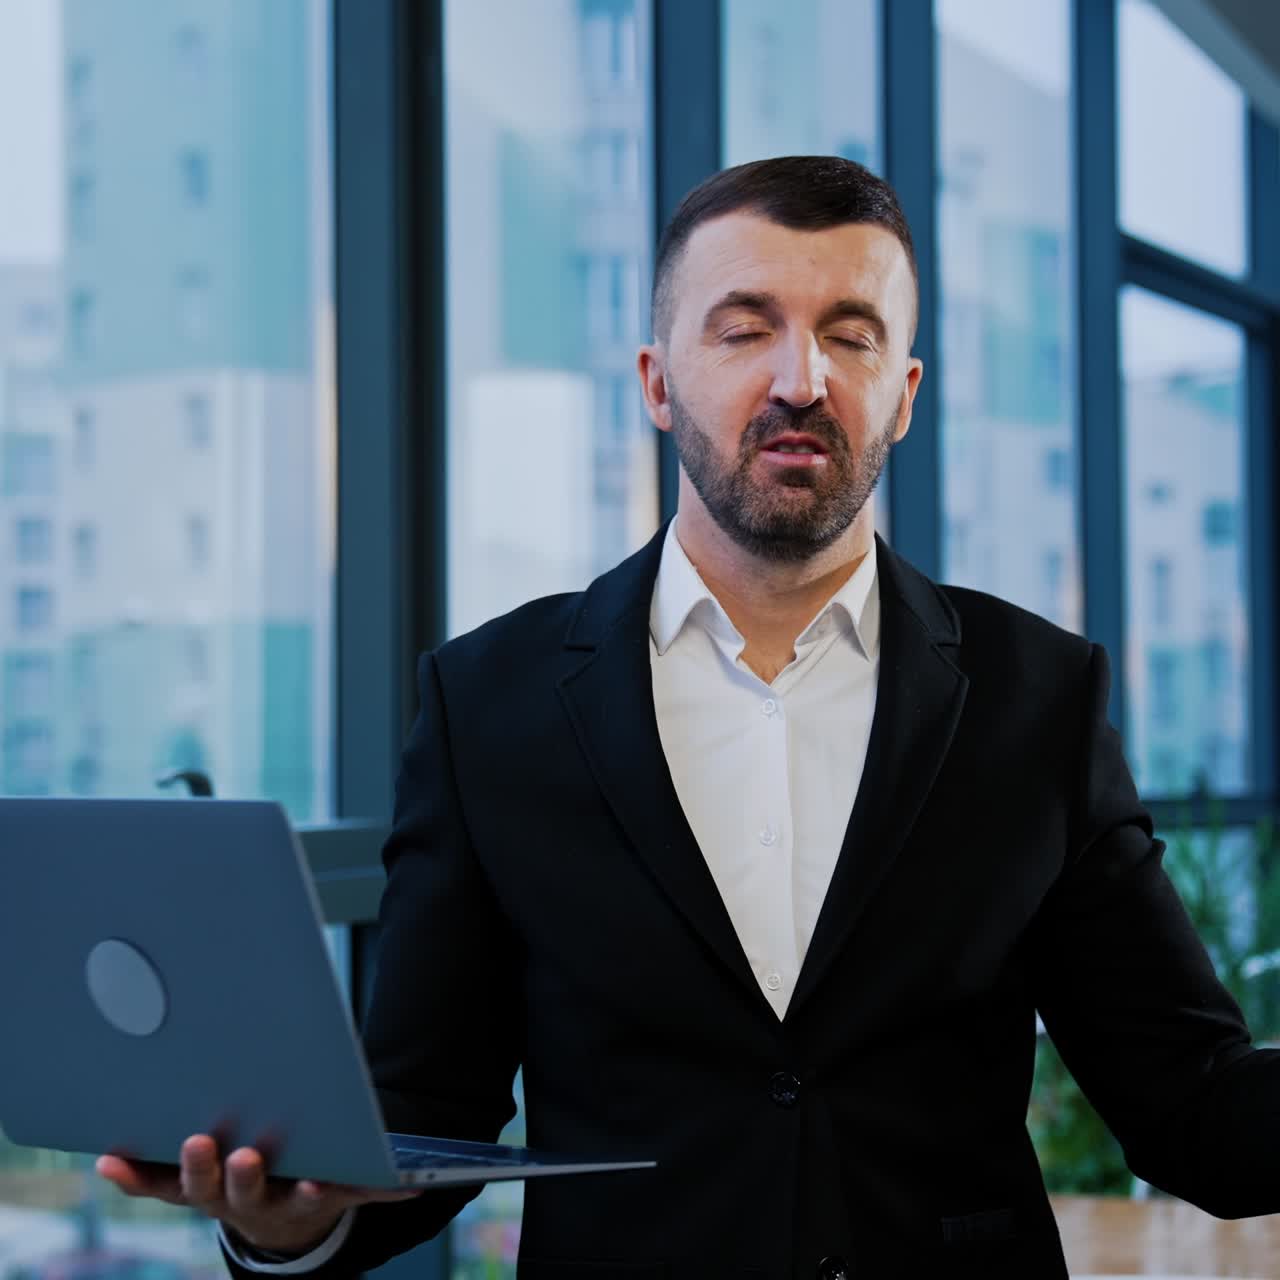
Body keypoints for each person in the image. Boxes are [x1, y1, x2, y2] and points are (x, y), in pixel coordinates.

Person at [96, 156, 1280, 1278]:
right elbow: (426, 1115)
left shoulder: (1038, 694)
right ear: (659, 382)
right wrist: (284, 1227)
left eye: (850, 335)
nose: (799, 379)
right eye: (744, 325)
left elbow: (1186, 1104)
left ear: (903, 395)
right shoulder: (486, 703)